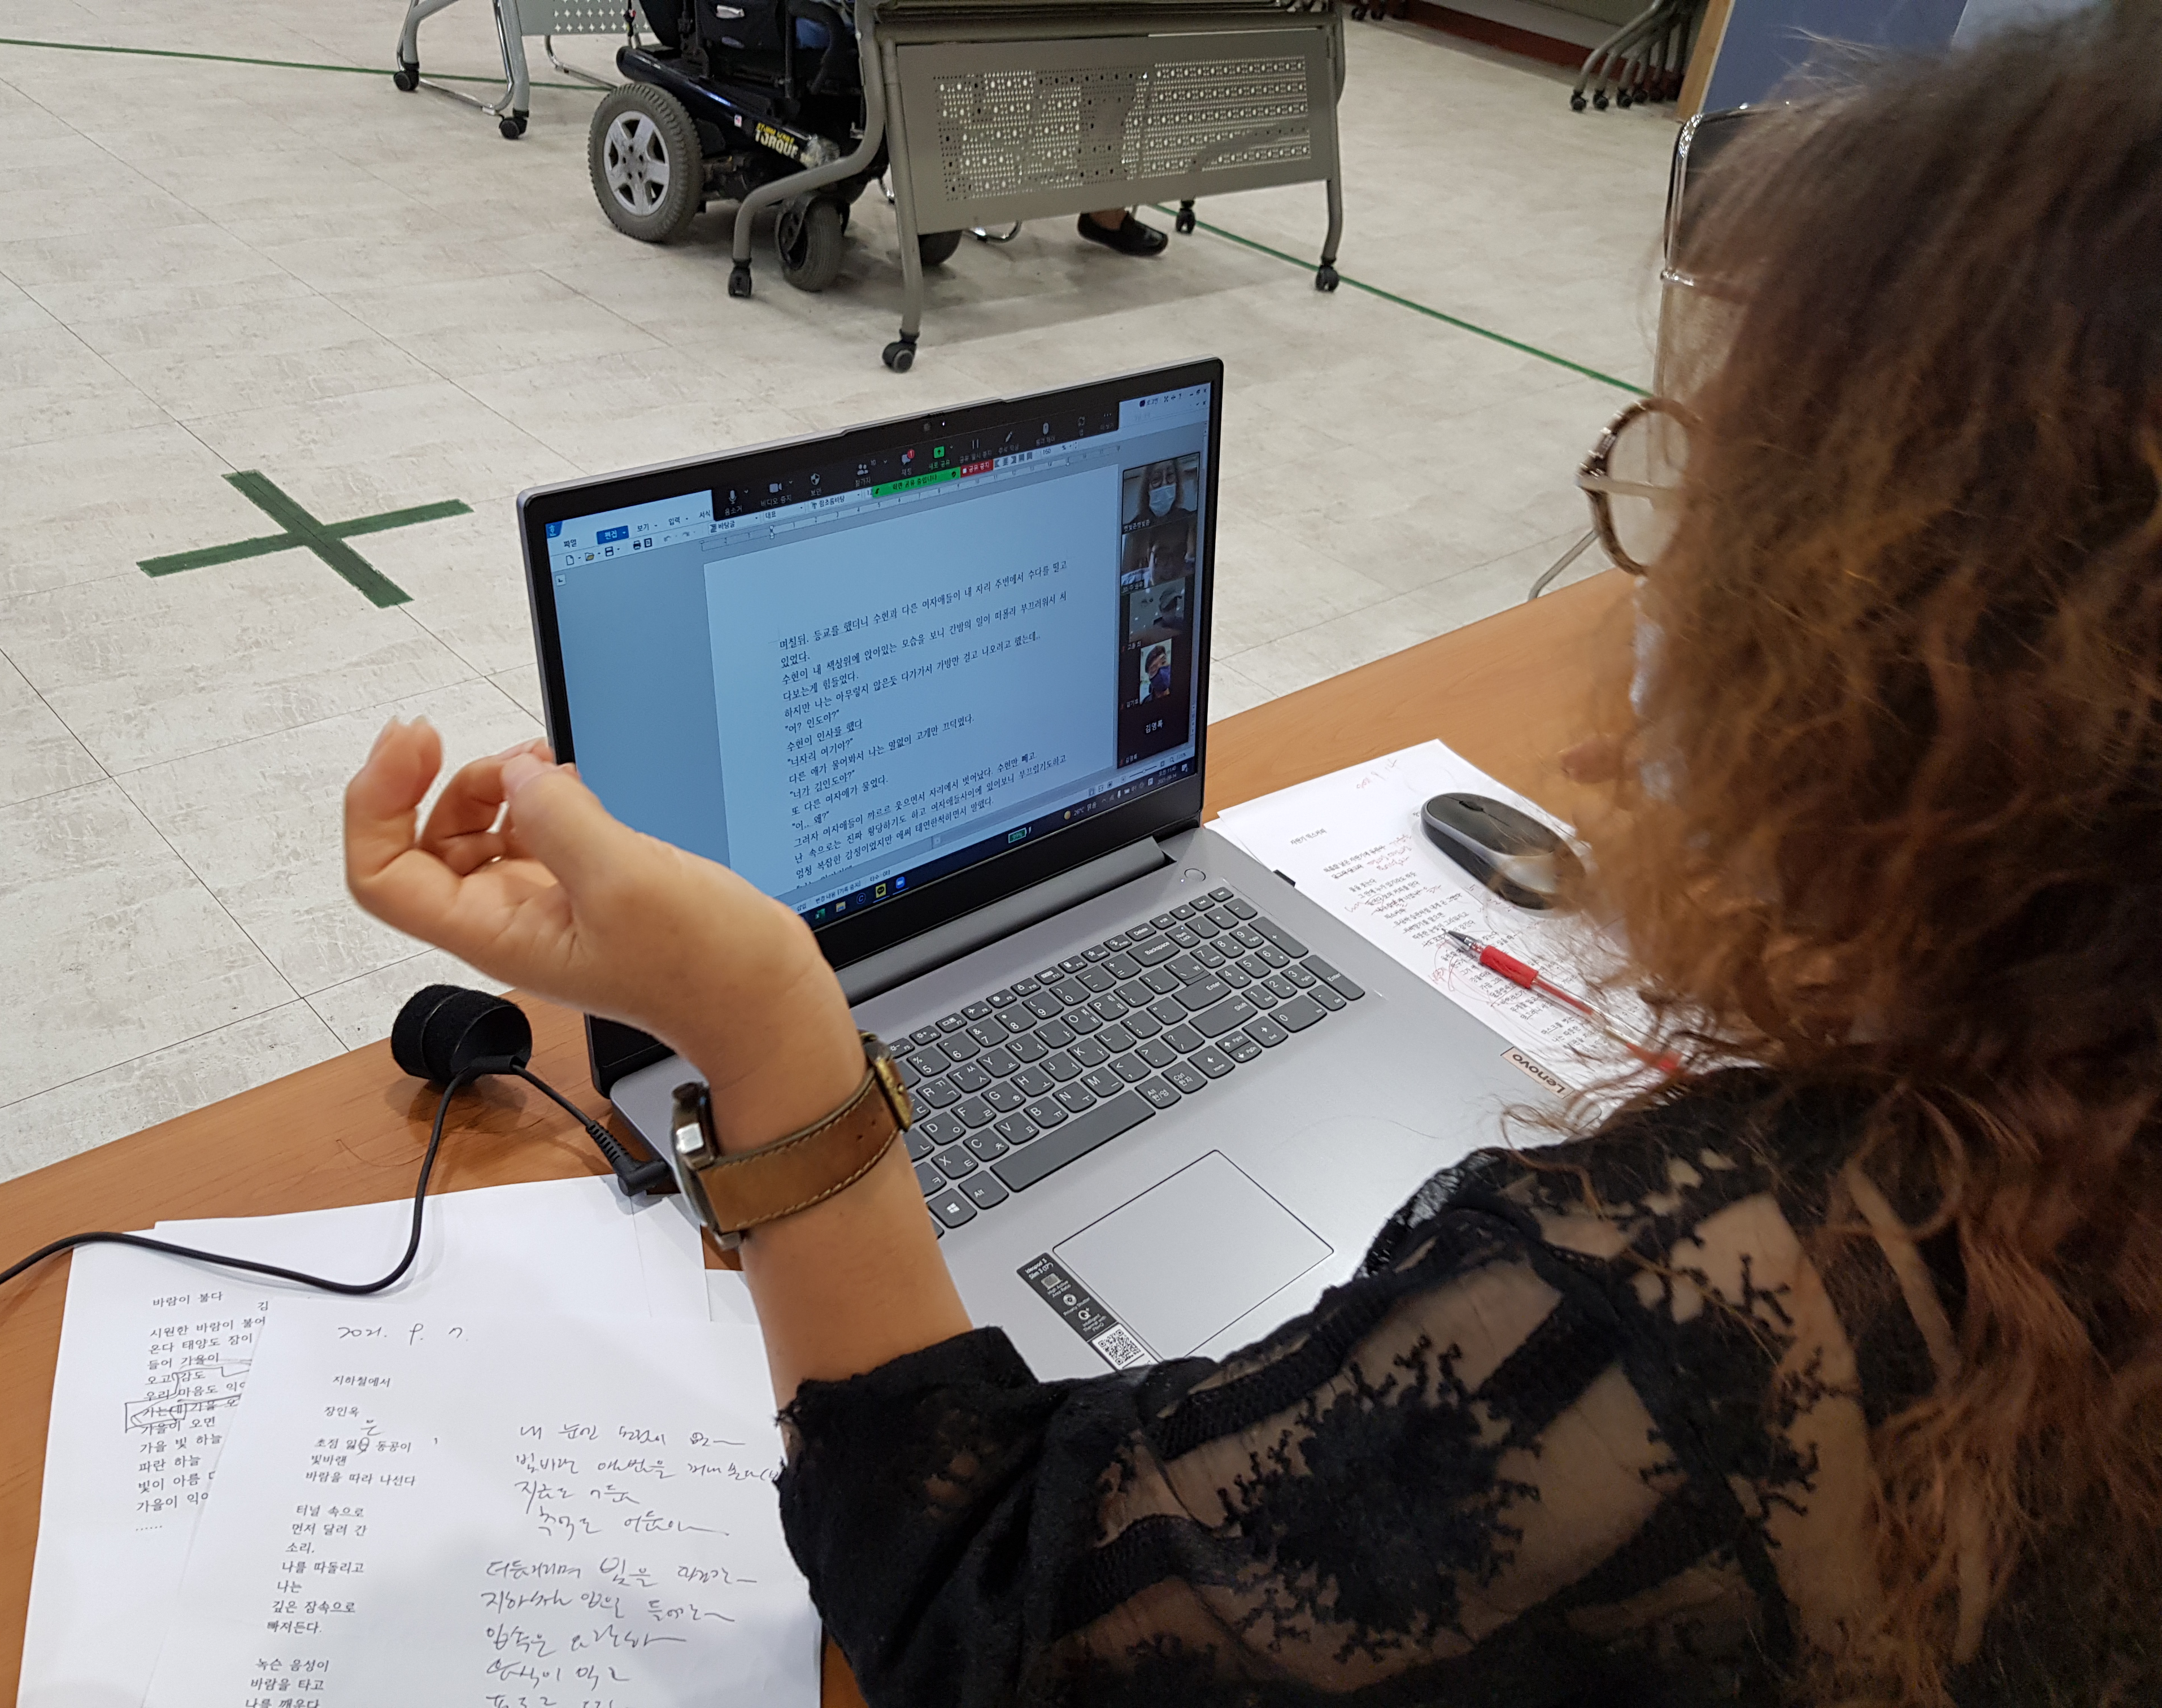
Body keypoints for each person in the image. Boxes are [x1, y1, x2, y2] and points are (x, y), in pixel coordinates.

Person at [342, 14, 2162, 1704]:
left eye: (1722, 500)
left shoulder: (1696, 1304)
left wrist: (768, 1026)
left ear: (1928, 663)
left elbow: (987, 1614)